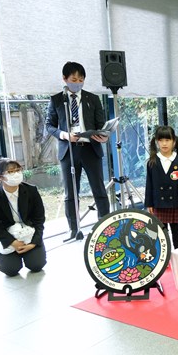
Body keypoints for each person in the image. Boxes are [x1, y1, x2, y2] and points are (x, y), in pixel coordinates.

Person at [45, 61, 110, 242]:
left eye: (81, 79)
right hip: (69, 151)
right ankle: (74, 229)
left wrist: (104, 136)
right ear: (65, 79)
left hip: (90, 148)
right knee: (71, 193)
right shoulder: (57, 100)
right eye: (74, 79)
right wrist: (64, 135)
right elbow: (49, 126)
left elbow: (101, 126)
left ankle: (105, 227)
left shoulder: (93, 99)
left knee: (99, 190)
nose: (78, 82)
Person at [0, 158, 47, 277]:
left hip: (29, 233)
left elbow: (39, 219)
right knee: (10, 270)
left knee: (37, 265)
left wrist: (33, 243)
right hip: (5, 236)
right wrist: (13, 242)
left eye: (18, 170)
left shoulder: (31, 190)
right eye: (10, 172)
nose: (16, 174)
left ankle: (29, 252)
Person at [144, 125, 178, 249]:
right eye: (161, 140)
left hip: (175, 201)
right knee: (160, 231)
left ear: (174, 141)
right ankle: (163, 255)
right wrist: (149, 203)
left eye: (167, 140)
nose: (164, 144)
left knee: (176, 230)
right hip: (158, 203)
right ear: (157, 142)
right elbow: (149, 184)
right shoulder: (152, 161)